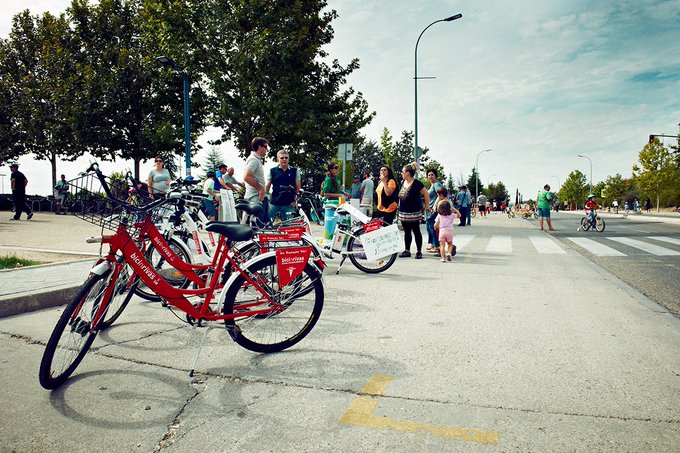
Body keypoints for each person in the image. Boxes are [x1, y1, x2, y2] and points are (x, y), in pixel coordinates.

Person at [397, 163, 430, 259]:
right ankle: (407, 250)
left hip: (414, 212)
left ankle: (419, 251)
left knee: (416, 231)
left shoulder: (417, 183)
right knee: (407, 232)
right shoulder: (403, 182)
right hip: (403, 212)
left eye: (403, 172)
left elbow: (426, 194)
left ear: (407, 173)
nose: (402, 173)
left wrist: (427, 206)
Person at [265, 150, 301, 221]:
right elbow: (267, 186)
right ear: (278, 159)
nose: (284, 159)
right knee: (265, 222)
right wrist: (266, 199)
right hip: (274, 203)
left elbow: (298, 187)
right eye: (282, 158)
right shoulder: (272, 171)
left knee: (289, 226)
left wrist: (295, 200)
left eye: (286, 158)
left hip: (289, 203)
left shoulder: (295, 171)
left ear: (288, 159)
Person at [243, 137, 269, 223]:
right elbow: (247, 177)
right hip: (256, 198)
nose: (267, 150)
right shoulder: (254, 160)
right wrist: (261, 189)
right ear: (259, 147)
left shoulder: (255, 159)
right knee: (258, 227)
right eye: (265, 147)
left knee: (261, 226)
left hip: (256, 197)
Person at [425, 169, 443, 253]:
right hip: (430, 209)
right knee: (429, 228)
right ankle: (432, 244)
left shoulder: (436, 184)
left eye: (432, 175)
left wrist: (435, 205)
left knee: (433, 228)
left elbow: (440, 194)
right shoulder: (432, 185)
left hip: (434, 210)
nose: (430, 176)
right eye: (429, 175)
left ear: (436, 176)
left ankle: (437, 246)